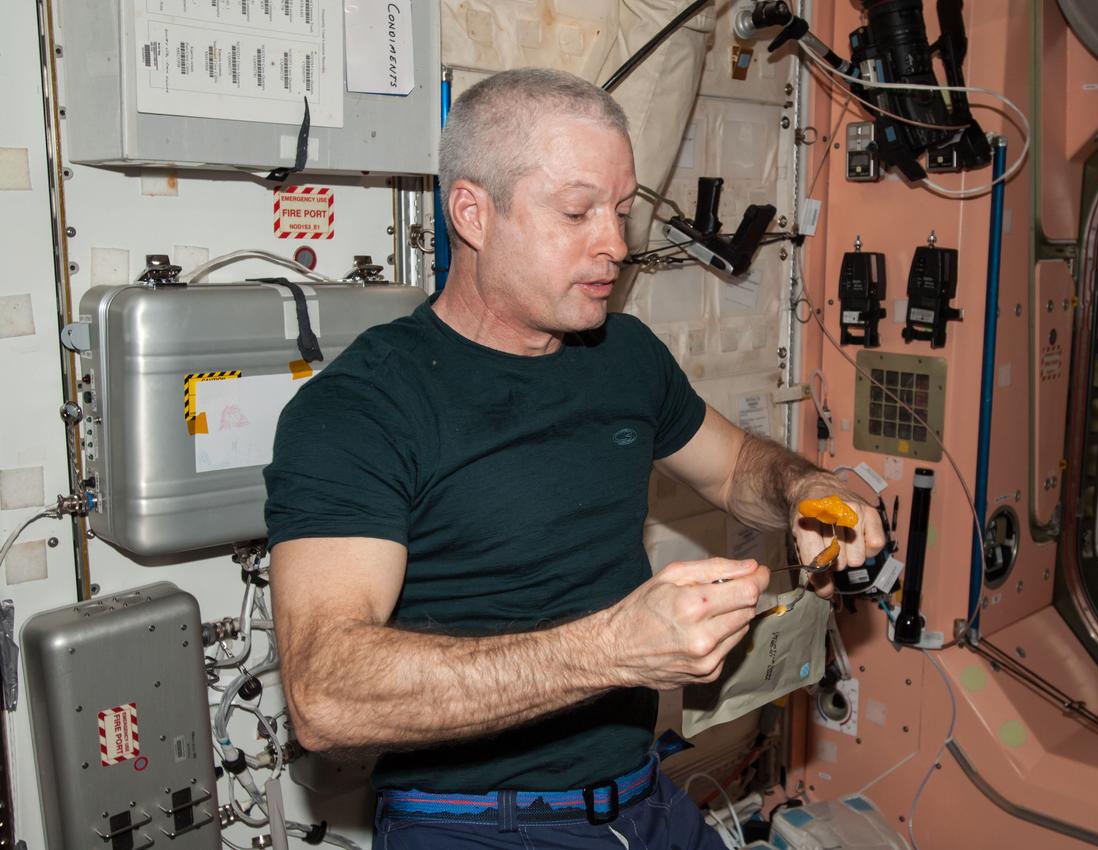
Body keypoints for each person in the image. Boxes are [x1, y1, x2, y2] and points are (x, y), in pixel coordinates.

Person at [264, 67, 884, 849]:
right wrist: (614, 649)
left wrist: (810, 487)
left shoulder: (622, 354)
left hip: (641, 795)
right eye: (576, 211)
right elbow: (326, 695)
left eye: (622, 212)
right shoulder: (360, 409)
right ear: (473, 214)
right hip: (476, 824)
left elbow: (733, 470)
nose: (615, 246)